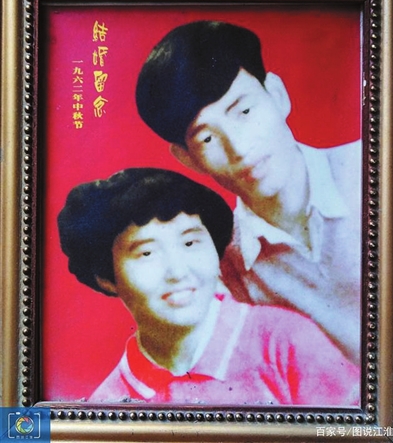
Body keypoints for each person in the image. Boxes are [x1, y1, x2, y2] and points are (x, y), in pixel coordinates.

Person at [135, 20, 361, 364]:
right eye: (207, 138)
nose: (239, 148)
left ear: (278, 96)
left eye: (244, 111)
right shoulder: (227, 270)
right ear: (187, 159)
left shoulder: (376, 168)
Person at [58, 168, 359, 405]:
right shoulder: (109, 402)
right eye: (147, 253)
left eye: (190, 243)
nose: (178, 272)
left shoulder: (285, 343)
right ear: (106, 278)